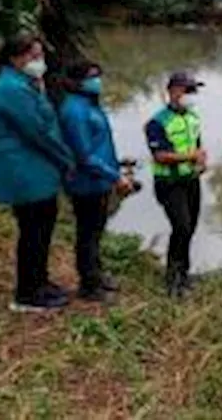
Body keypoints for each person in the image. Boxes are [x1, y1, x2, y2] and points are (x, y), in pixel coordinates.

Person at [0, 33, 75, 312]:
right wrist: (66, 159)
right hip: (24, 170)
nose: (39, 62)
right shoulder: (11, 89)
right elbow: (38, 131)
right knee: (34, 229)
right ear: (15, 58)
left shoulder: (25, 84)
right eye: (33, 56)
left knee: (42, 225)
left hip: (34, 168)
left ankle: (40, 282)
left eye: (40, 56)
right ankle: (27, 294)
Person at [58, 61, 133, 303]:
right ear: (77, 81)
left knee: (96, 230)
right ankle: (89, 285)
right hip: (85, 182)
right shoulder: (74, 111)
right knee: (87, 233)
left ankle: (97, 274)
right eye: (92, 77)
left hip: (99, 180)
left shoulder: (88, 104)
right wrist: (115, 176)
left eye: (99, 75)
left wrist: (115, 168)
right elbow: (84, 156)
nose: (97, 80)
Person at [145, 72, 207, 297]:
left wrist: (201, 161)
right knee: (180, 226)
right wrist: (191, 156)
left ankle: (184, 274)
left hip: (191, 180)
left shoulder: (193, 118)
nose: (192, 96)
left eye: (194, 91)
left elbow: (197, 146)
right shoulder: (157, 122)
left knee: (190, 227)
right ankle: (172, 280)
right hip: (169, 183)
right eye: (188, 90)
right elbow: (160, 155)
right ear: (173, 91)